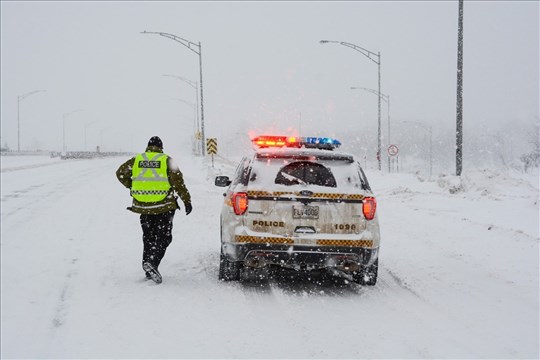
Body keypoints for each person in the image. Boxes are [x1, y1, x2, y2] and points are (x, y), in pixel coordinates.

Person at [116, 136, 192, 284]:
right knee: (164, 237)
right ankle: (152, 263)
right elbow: (178, 183)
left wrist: (132, 186)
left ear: (148, 147)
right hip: (164, 206)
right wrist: (187, 201)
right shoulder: (166, 160)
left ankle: (148, 267)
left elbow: (120, 173)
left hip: (144, 206)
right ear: (161, 147)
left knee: (148, 237)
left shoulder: (137, 160)